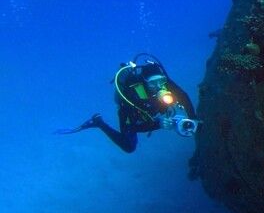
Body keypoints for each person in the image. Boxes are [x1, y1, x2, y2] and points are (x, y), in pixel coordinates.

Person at [56, 54, 198, 153]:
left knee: (167, 101)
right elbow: (135, 127)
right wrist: (158, 124)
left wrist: (193, 117)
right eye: (153, 83)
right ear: (144, 82)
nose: (159, 85)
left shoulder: (164, 83)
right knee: (129, 147)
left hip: (152, 111)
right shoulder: (133, 91)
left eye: (161, 80)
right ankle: (99, 123)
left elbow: (183, 96)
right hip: (130, 112)